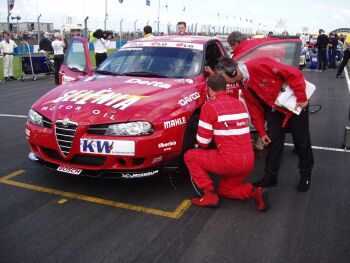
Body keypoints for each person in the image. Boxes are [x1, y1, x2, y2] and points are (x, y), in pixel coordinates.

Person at [212, 57, 314, 192]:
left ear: (232, 72)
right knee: (272, 143)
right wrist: (262, 132)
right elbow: (254, 110)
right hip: (275, 110)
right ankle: (270, 177)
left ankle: (305, 175)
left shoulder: (259, 65)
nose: (224, 83)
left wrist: (301, 97)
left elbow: (294, 73)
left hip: (295, 105)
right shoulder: (243, 84)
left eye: (224, 79)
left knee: (301, 142)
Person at [184, 74, 269, 211]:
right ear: (225, 87)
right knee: (225, 189)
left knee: (190, 156)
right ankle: (255, 192)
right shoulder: (239, 104)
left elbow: (203, 142)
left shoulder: (209, 107)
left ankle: (209, 195)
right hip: (248, 161)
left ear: (209, 89)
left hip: (230, 161)